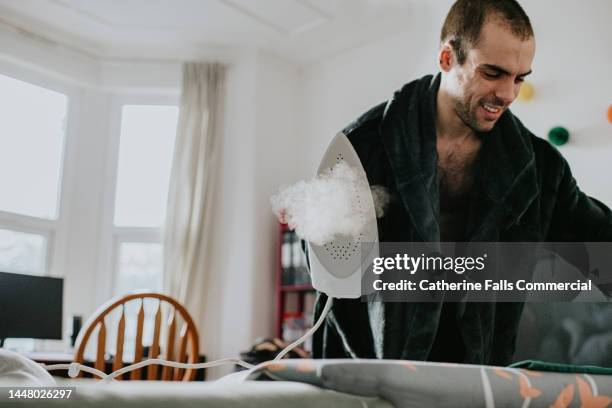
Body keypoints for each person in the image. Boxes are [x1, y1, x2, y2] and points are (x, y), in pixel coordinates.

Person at [311, 0, 612, 365]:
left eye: (519, 78)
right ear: (446, 59)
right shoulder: (364, 146)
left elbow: (600, 242)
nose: (508, 94)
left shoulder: (542, 168)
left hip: (478, 372)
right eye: (492, 73)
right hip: (369, 368)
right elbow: (330, 265)